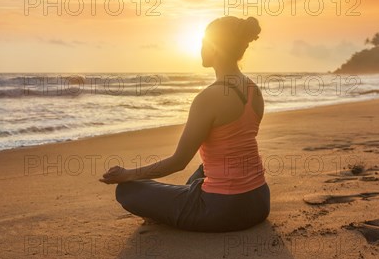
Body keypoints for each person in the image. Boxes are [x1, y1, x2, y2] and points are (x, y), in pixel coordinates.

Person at [99, 16, 270, 232]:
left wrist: (127, 174)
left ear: (215, 48)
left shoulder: (208, 98)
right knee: (203, 169)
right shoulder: (254, 90)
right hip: (259, 201)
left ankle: (177, 205)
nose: (200, 48)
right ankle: (183, 198)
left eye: (203, 43)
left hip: (223, 211)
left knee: (127, 191)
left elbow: (177, 162)